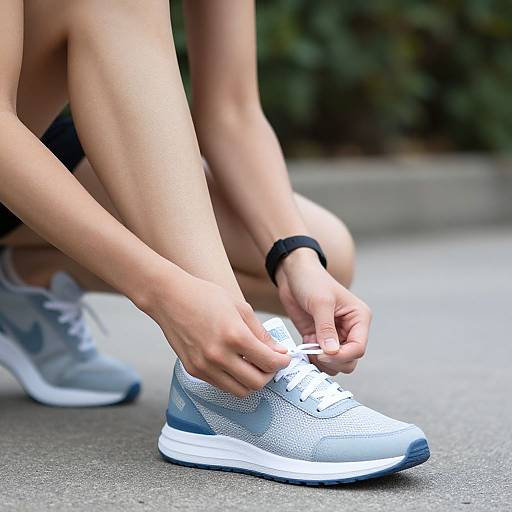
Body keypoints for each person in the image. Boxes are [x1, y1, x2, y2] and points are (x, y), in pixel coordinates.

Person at [0, 1, 429, 483]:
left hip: (36, 137)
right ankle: (227, 387)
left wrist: (295, 257)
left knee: (327, 252)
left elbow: (232, 112)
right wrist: (162, 291)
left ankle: (22, 284)